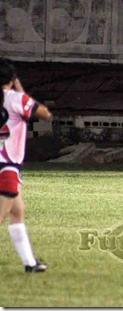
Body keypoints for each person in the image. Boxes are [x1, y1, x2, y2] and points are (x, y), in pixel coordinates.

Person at [0, 58, 52, 273]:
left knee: (17, 212)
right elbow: (45, 114)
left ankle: (30, 263)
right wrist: (19, 87)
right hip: (7, 166)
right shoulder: (15, 98)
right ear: (11, 80)